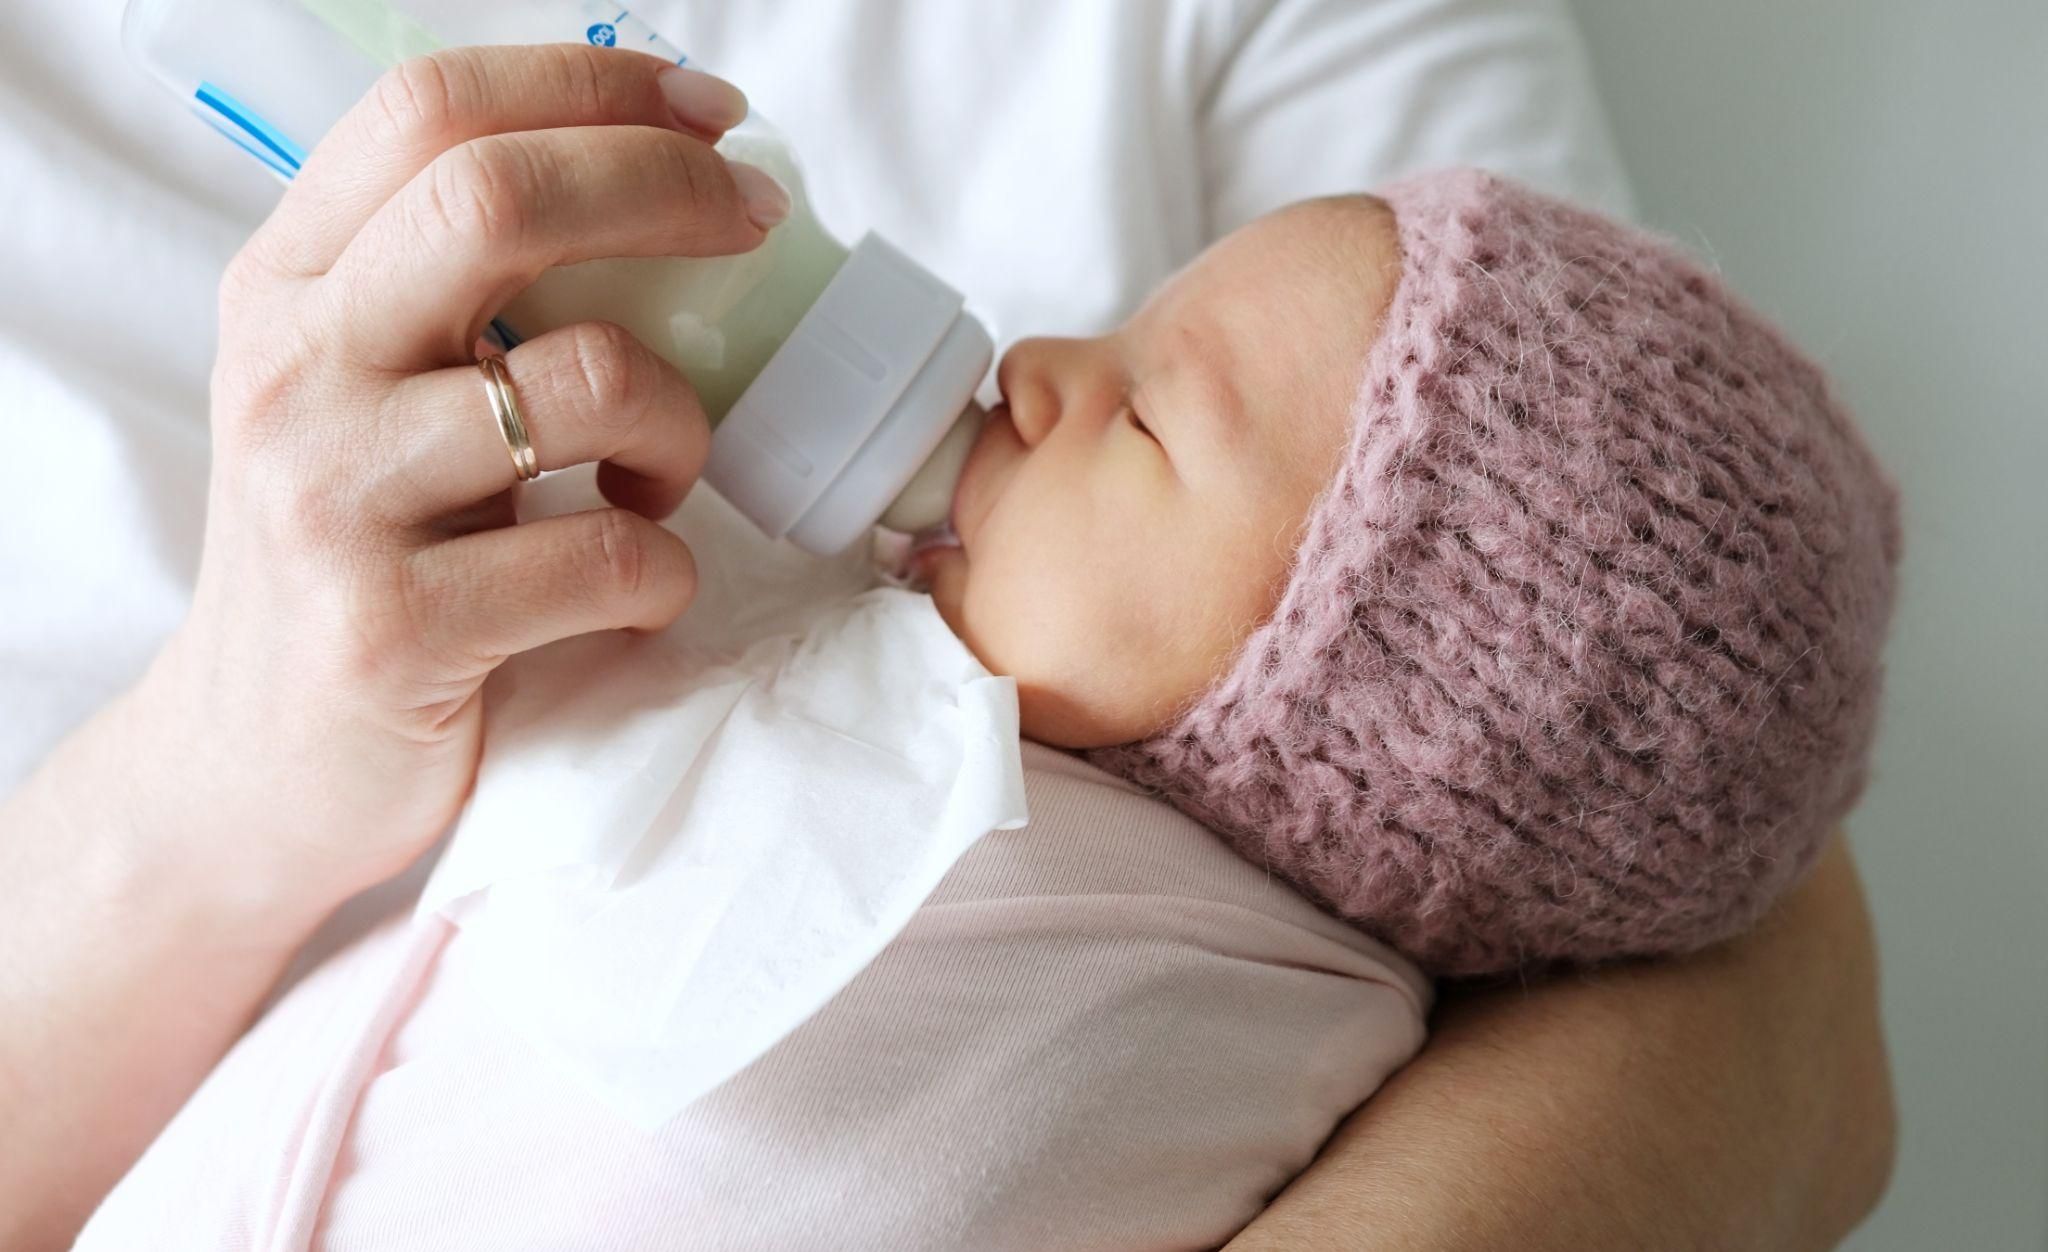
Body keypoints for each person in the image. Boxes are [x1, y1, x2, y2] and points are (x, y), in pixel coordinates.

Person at [0, 5, 1897, 1251]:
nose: (1050, 355)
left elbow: (1756, 949)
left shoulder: (1142, 957)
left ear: (1373, 723)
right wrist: (229, 762)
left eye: (1147, 406)